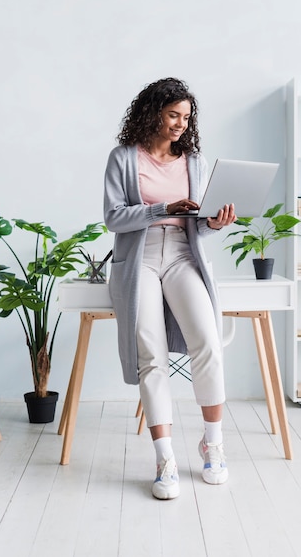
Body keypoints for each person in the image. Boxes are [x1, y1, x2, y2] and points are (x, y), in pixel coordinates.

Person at [103, 77, 236, 500]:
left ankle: (212, 445)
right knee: (151, 356)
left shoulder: (193, 162)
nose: (180, 124)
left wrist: (213, 223)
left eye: (186, 117)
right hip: (138, 257)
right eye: (173, 115)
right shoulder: (123, 158)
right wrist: (162, 208)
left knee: (208, 343)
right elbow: (114, 218)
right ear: (153, 112)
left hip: (182, 254)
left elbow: (195, 222)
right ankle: (164, 459)